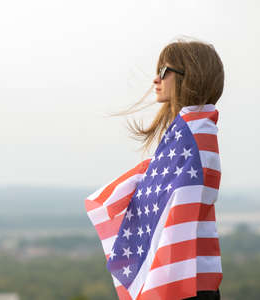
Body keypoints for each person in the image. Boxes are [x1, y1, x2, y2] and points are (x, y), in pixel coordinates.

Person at [85, 38, 224, 300]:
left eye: (163, 71)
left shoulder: (195, 135)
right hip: (192, 279)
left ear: (190, 76)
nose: (155, 80)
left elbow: (177, 209)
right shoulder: (185, 134)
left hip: (189, 282)